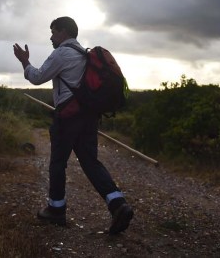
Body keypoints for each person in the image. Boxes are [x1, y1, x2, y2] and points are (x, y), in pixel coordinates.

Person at [13, 16, 134, 234]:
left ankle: (56, 210)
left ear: (64, 32)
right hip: (88, 116)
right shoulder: (84, 55)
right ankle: (118, 205)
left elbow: (38, 77)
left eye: (53, 31)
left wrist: (24, 62)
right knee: (90, 162)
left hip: (68, 117)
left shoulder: (62, 53)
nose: (51, 37)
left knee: (58, 162)